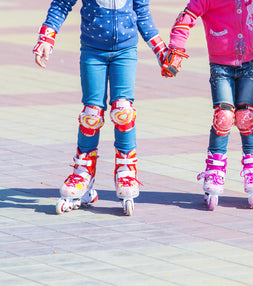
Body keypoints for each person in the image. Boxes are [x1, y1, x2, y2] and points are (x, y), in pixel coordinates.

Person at [33, 0, 168, 216]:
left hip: (125, 52)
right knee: (91, 115)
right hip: (93, 52)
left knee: (123, 112)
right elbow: (60, 5)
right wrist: (46, 38)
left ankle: (126, 170)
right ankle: (83, 173)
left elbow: (142, 13)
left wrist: (161, 50)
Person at [162, 0, 253, 210]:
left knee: (246, 117)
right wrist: (176, 49)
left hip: (250, 63)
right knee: (223, 117)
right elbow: (186, 18)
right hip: (221, 65)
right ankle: (214, 172)